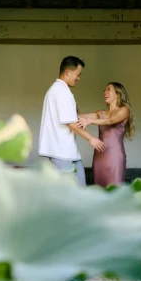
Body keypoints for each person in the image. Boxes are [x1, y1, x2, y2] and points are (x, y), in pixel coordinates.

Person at [38, 56, 105, 186]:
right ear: (68, 72)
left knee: (79, 190)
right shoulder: (61, 92)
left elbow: (70, 119)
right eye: (77, 74)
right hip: (61, 153)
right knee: (69, 194)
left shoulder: (58, 90)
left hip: (67, 152)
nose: (78, 78)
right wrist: (91, 138)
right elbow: (71, 124)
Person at [79, 82, 135, 188]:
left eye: (108, 89)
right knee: (99, 192)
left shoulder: (124, 110)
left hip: (115, 158)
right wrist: (72, 110)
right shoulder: (100, 113)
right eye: (104, 90)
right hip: (99, 157)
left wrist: (90, 121)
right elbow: (78, 117)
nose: (105, 92)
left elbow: (111, 121)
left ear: (118, 94)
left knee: (114, 192)